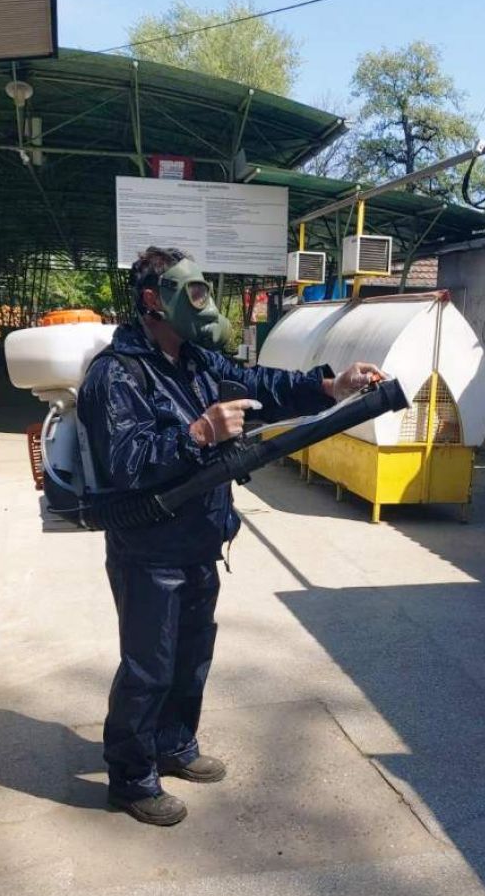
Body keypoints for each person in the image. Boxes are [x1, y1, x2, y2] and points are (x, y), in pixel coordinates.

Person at [78, 246, 383, 826]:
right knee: (148, 668)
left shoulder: (196, 361)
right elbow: (124, 462)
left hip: (200, 539)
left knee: (191, 657)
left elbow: (262, 383)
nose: (203, 304)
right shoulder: (115, 373)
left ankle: (174, 744)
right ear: (153, 300)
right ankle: (131, 777)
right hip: (149, 550)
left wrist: (330, 387)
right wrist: (198, 432)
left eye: (203, 291)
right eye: (190, 293)